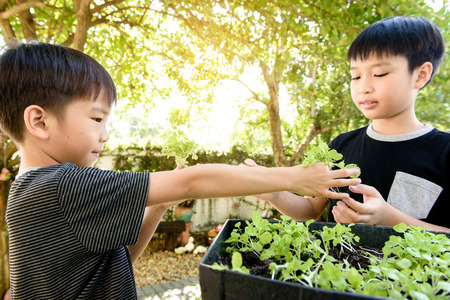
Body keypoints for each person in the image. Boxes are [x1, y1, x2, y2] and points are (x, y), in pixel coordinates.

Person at [0, 41, 360, 299]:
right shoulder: (62, 185)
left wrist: (157, 207)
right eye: (96, 118)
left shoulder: (31, 189)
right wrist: (294, 176)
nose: (105, 135)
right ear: (39, 121)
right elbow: (194, 179)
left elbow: (117, 261)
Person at [245, 16, 449, 232]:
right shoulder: (341, 147)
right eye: (356, 76)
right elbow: (309, 209)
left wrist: (387, 218)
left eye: (379, 73)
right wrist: (273, 193)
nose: (363, 87)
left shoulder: (443, 152)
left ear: (420, 75)